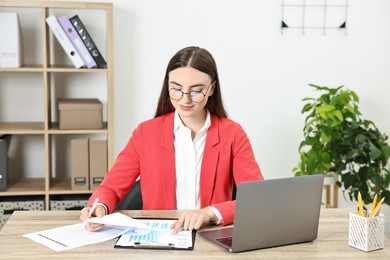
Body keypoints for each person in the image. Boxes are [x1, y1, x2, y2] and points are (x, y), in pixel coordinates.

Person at [80, 46, 264, 233]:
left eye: (196, 91)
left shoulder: (233, 134)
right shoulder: (146, 132)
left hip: (210, 236)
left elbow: (257, 197)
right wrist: (99, 207)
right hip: (159, 236)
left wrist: (208, 213)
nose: (185, 99)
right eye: (176, 89)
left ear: (211, 89)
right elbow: (110, 188)